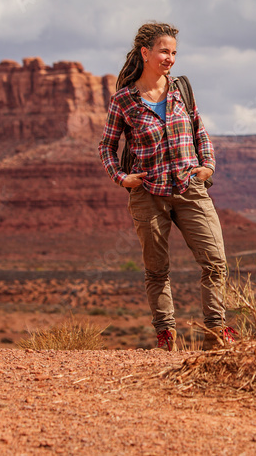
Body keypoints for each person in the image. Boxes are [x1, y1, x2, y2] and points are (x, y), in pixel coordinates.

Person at [97, 21, 233, 351]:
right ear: (145, 53)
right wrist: (121, 178)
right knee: (157, 270)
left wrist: (208, 166)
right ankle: (166, 335)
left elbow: (200, 132)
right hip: (148, 194)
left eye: (174, 52)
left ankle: (215, 333)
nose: (170, 58)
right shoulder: (125, 100)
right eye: (164, 51)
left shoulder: (181, 91)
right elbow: (106, 146)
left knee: (216, 262)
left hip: (190, 188)